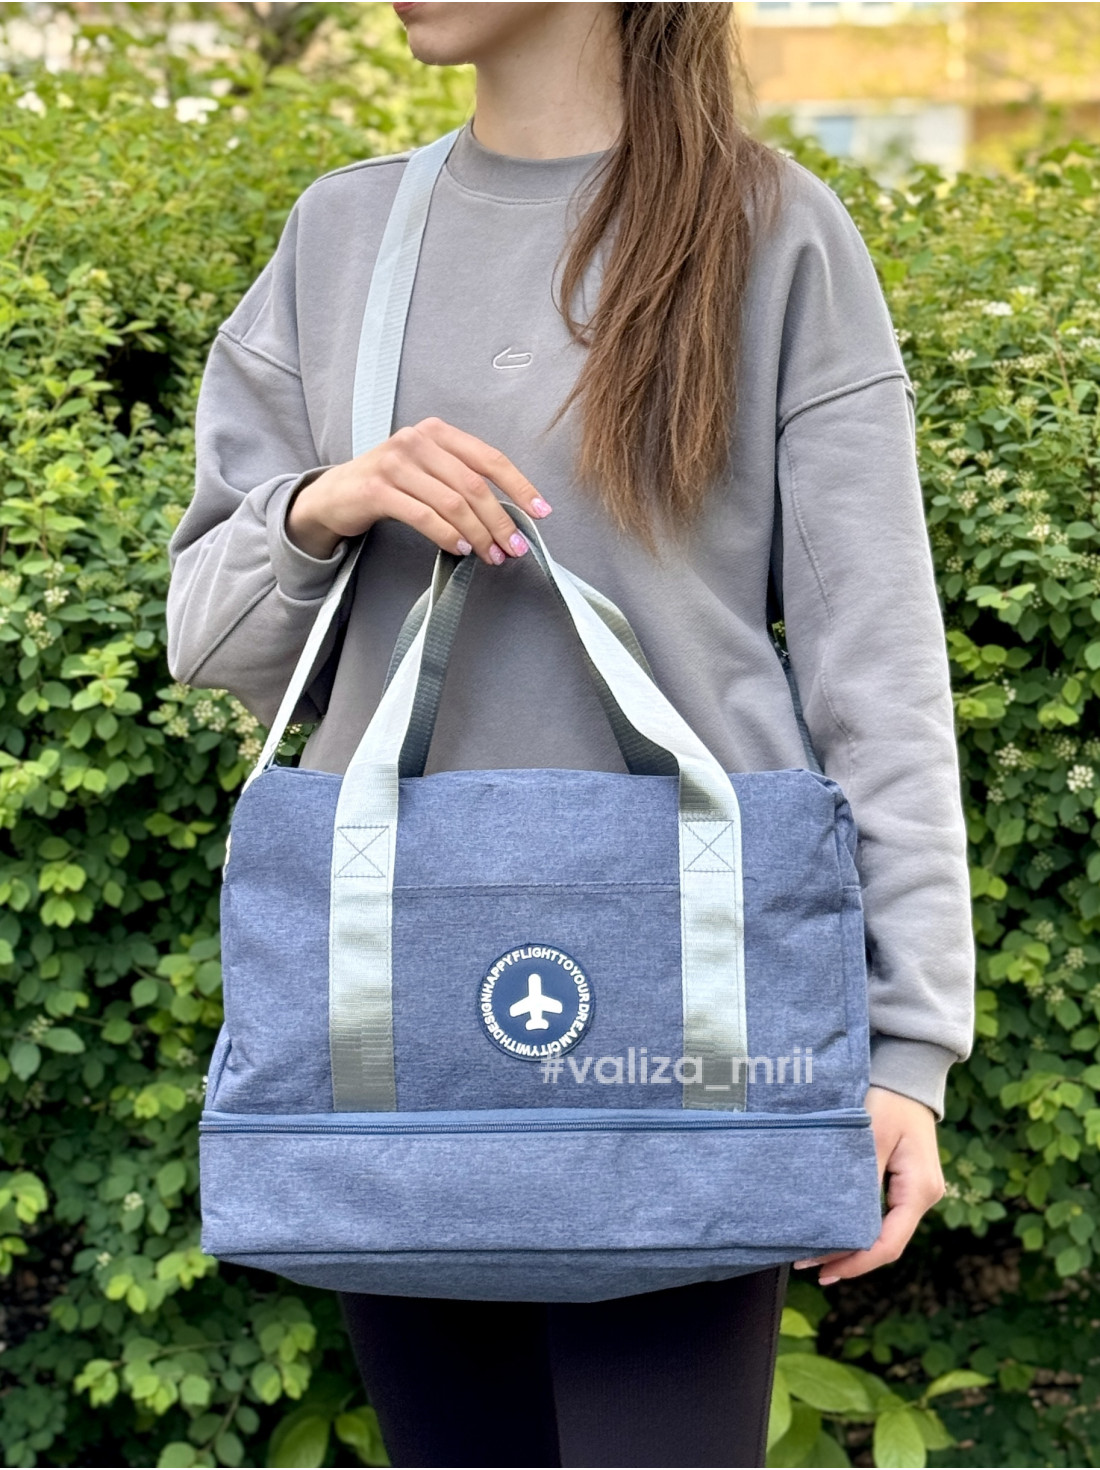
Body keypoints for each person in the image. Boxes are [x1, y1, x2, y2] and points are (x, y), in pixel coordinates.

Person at [165, 3, 975, 1465]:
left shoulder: (771, 233)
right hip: (399, 1024)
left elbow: (880, 669)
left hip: (694, 1032)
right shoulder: (342, 239)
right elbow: (212, 645)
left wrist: (909, 1045)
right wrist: (325, 506)